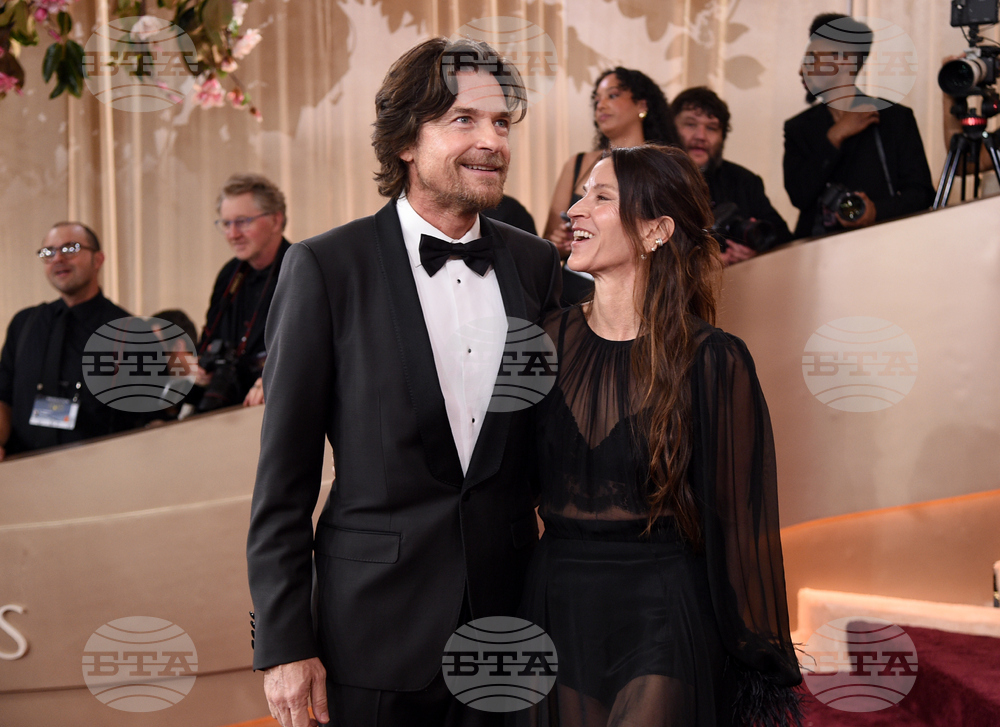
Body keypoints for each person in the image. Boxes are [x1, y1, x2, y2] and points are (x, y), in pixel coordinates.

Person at [246, 37, 562, 727]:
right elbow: (283, 483)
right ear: (405, 144)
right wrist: (284, 643)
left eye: (502, 122)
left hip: (511, 631)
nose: (492, 141)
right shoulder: (326, 268)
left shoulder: (538, 267)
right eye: (464, 120)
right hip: (371, 639)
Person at [520, 145, 802, 726]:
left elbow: (739, 523)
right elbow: (501, 488)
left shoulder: (714, 359)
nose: (575, 209)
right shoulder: (537, 345)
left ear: (656, 230)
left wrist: (756, 658)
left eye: (600, 197)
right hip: (555, 605)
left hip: (662, 613)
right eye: (580, 195)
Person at [784, 13, 934, 239]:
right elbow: (799, 196)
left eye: (812, 58)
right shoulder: (798, 127)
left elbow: (921, 194)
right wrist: (833, 137)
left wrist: (876, 212)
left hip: (883, 247)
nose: (801, 70)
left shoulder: (895, 119)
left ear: (844, 61)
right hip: (816, 255)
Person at [0, 223, 140, 460]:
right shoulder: (25, 324)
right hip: (23, 471)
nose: (58, 259)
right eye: (48, 252)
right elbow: (3, 397)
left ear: (98, 260)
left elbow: (142, 418)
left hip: (97, 473)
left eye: (70, 248)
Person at [542, 67, 678, 304]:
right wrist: (562, 245)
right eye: (596, 100)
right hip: (573, 293)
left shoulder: (666, 168)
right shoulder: (577, 164)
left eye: (612, 96)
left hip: (641, 295)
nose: (601, 105)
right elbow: (547, 245)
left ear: (642, 106)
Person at [191, 173, 291, 412]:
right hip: (226, 408)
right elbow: (210, 339)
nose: (233, 234)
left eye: (243, 221)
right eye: (226, 223)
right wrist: (198, 367)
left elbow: (315, 352)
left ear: (276, 221)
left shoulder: (301, 269)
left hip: (275, 408)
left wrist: (279, 377)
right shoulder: (229, 274)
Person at [671, 86, 792, 265]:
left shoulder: (744, 181)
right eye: (690, 125)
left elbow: (783, 238)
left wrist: (755, 249)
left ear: (723, 136)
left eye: (712, 128)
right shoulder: (651, 177)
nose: (701, 136)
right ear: (671, 127)